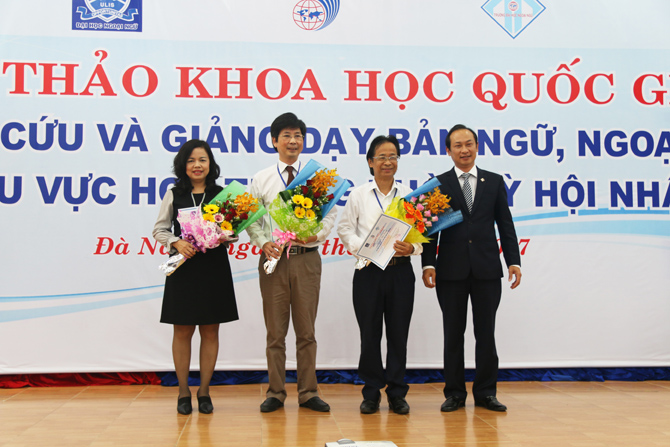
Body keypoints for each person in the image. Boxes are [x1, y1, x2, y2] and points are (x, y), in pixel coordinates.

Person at [421, 124, 521, 413]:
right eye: (458, 145)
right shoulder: (438, 184)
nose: (464, 150)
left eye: (469, 144)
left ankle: (486, 393)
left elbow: (505, 224)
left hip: (487, 270)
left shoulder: (494, 181)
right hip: (450, 271)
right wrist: (428, 263)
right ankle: (454, 393)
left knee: (486, 334)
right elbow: (430, 229)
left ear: (477, 146)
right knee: (453, 334)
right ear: (448, 150)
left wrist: (513, 261)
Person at [247, 112, 336, 413]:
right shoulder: (261, 179)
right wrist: (263, 243)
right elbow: (252, 219)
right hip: (273, 261)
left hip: (306, 260)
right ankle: (275, 392)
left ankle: (308, 392)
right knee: (275, 333)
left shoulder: (316, 178)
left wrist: (315, 235)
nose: (293, 141)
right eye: (286, 135)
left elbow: (330, 215)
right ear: (275, 141)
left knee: (306, 332)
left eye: (298, 135)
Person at [152, 139, 239, 415]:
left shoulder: (222, 194)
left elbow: (234, 231)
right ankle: (182, 391)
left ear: (210, 164)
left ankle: (204, 391)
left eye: (202, 160)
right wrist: (176, 242)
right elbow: (159, 229)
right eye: (191, 160)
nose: (197, 165)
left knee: (211, 330)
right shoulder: (174, 194)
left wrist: (225, 235)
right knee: (182, 330)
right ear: (183, 165)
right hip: (184, 268)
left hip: (214, 267)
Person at [337, 135, 422, 415]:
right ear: (370, 162)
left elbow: (423, 236)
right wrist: (360, 247)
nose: (388, 162)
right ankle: (371, 392)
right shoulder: (359, 194)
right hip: (368, 272)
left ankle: (397, 393)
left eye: (393, 156)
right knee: (370, 334)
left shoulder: (409, 196)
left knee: (398, 334)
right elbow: (345, 228)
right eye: (382, 157)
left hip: (400, 272)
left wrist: (413, 248)